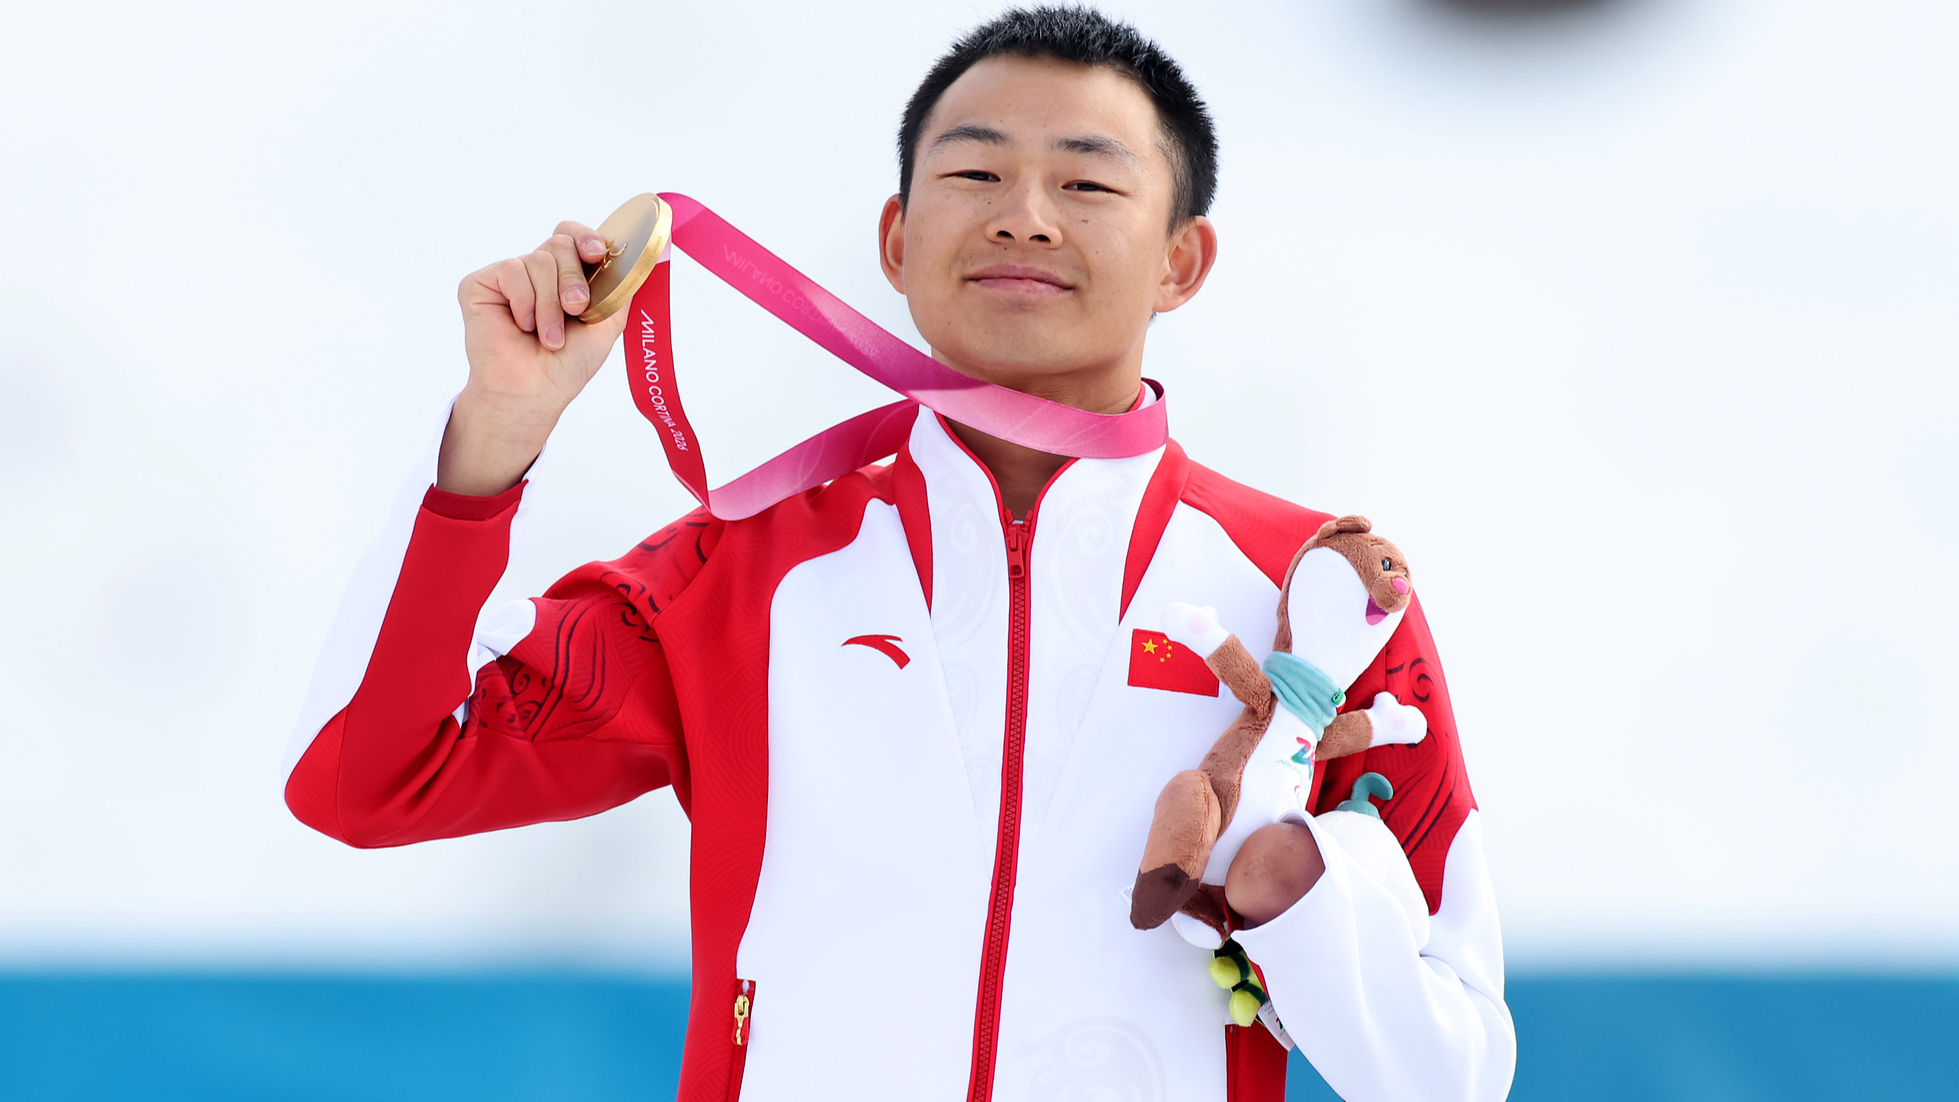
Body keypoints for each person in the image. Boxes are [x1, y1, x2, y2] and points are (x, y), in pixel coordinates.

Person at [283, 7, 1515, 1101]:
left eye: (1087, 186)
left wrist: (1302, 896)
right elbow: (368, 776)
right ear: (896, 240)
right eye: (975, 171)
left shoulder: (1318, 598)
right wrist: (496, 432)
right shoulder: (745, 574)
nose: (1023, 215)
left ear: (1182, 260)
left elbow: (1453, 1072)